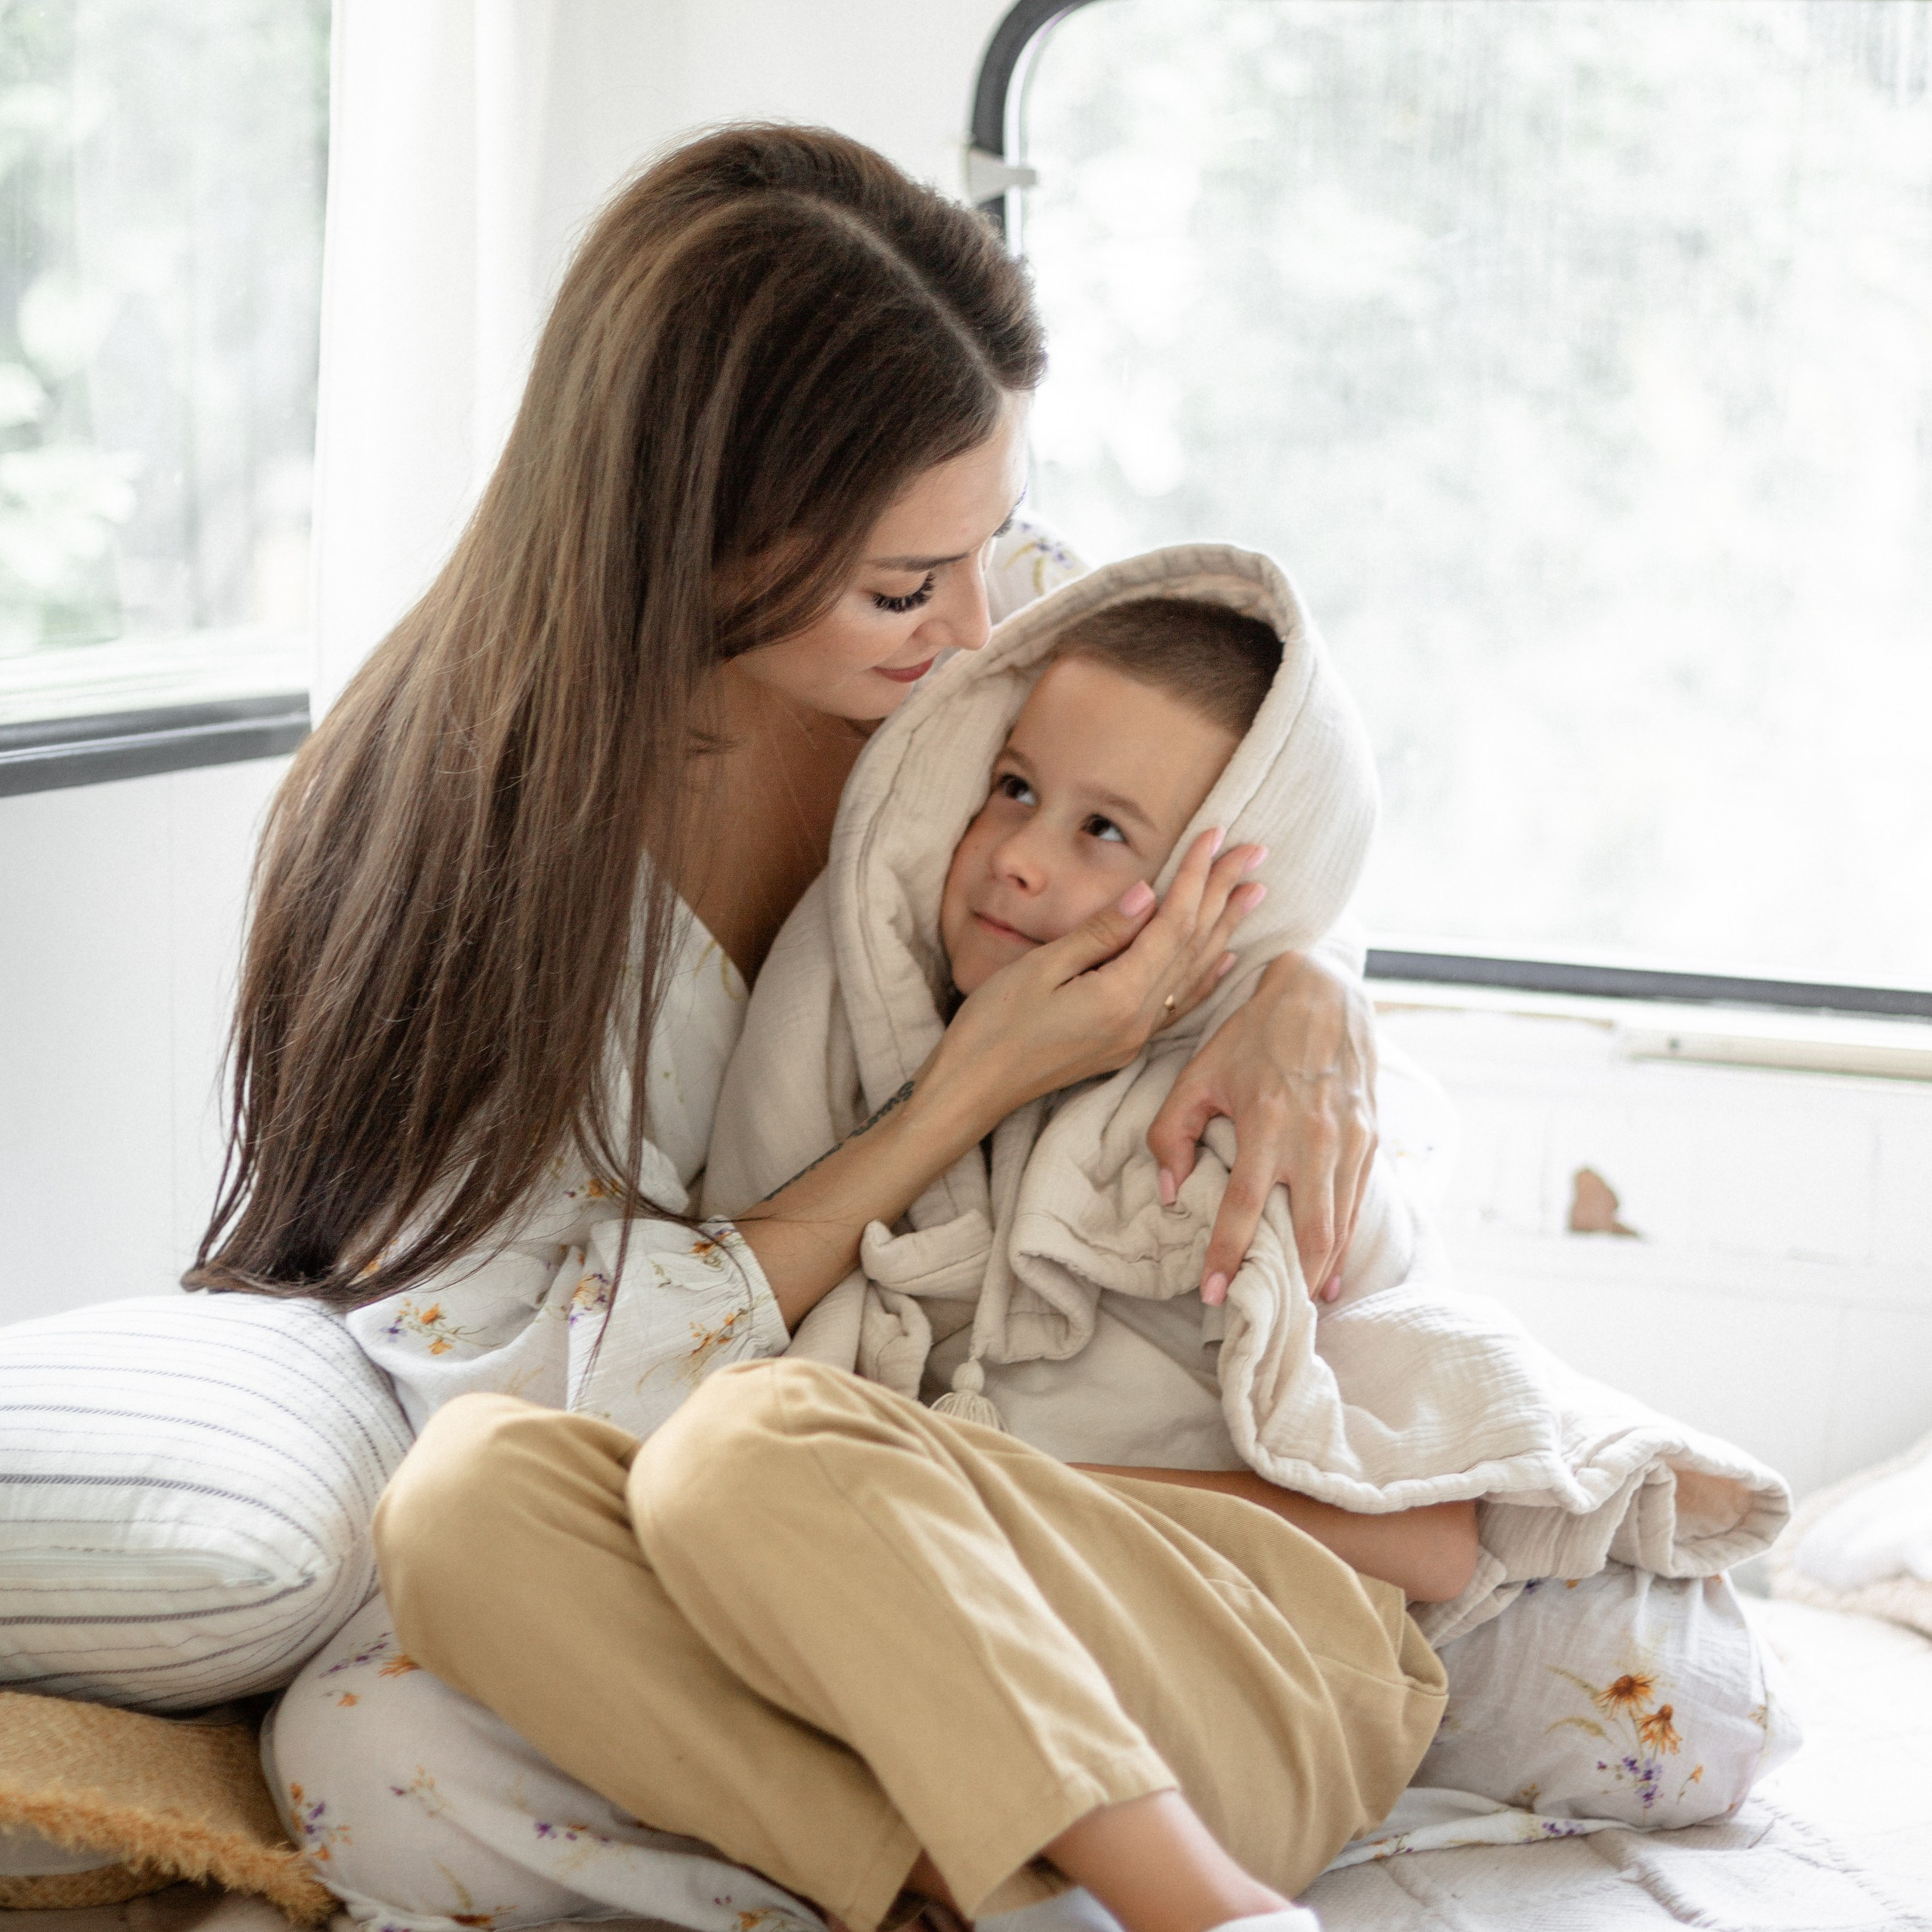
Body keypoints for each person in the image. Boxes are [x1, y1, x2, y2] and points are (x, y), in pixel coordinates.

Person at [238, 126, 1406, 1932]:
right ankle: (976, 1883)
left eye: (997, 540)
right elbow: (536, 1390)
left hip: (986, 1503)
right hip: (717, 1499)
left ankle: (1069, 1857)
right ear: (687, 542)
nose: (978, 629)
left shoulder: (998, 678)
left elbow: (1252, 817)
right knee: (368, 1729)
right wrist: (962, 1093)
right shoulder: (433, 855)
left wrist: (1301, 985)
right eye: (902, 586)